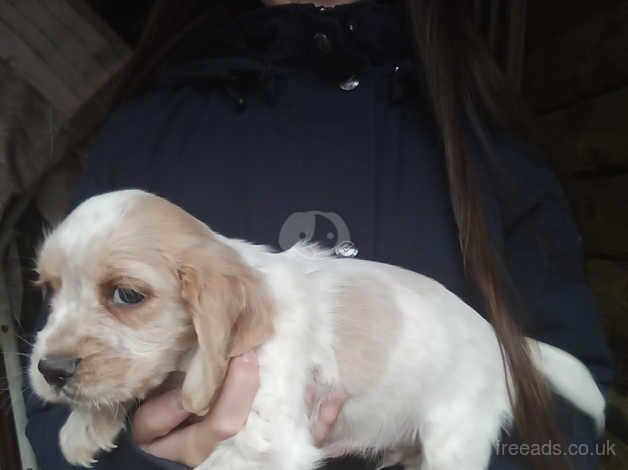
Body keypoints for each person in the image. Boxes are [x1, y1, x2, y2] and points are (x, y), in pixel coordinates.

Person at [25, 0, 613, 469]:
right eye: (50, 288)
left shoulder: (491, 148)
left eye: (125, 294)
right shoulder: (139, 133)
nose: (55, 344)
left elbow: (570, 429)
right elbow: (57, 435)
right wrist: (141, 457)